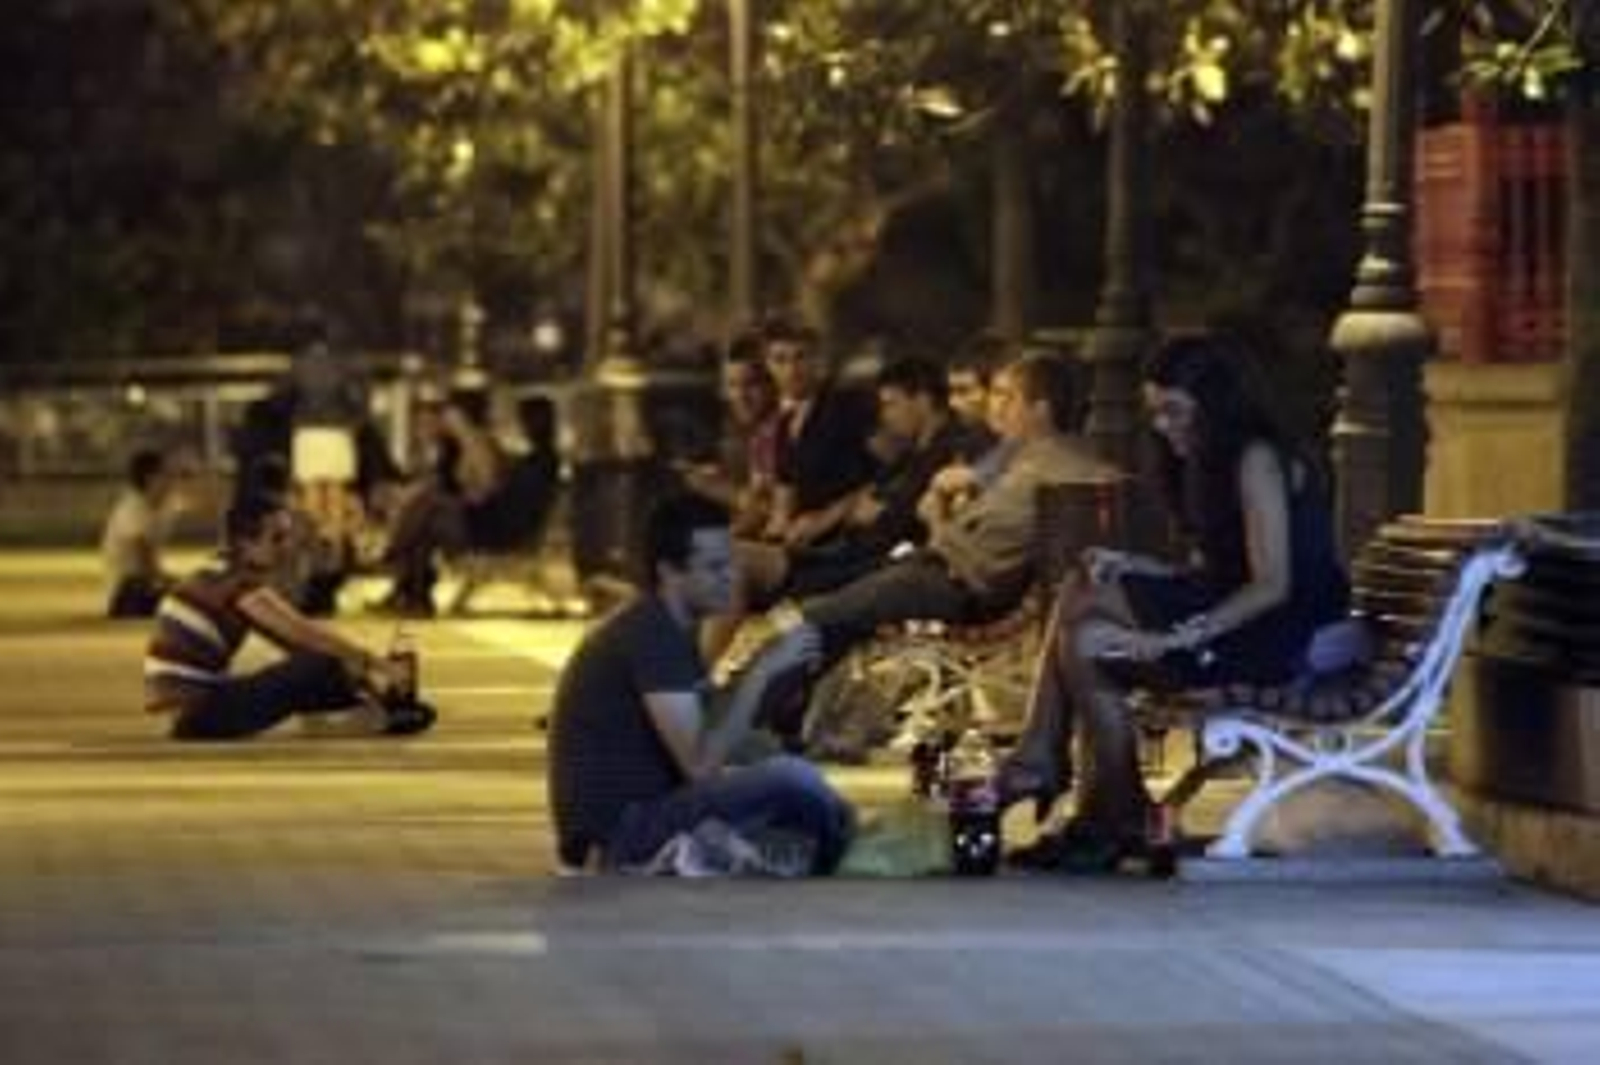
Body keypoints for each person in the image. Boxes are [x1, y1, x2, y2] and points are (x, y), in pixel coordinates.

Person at [999, 335, 1350, 870]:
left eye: (1175, 411)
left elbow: (1273, 584)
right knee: (1085, 592)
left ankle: (1085, 793)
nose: (1163, 425)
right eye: (1156, 412)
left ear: (1217, 405)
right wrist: (1143, 568)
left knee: (1087, 634)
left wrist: (1172, 637)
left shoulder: (1256, 457)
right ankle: (1082, 789)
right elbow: (1221, 571)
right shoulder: (1209, 461)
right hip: (1237, 614)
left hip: (1279, 634)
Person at [740, 352, 1121, 735]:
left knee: (818, 619)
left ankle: (743, 719)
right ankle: (772, 719)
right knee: (828, 616)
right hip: (940, 575)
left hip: (953, 585)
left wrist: (938, 506)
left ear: (1041, 409)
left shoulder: (1042, 470)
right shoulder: (1044, 462)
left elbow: (955, 543)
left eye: (1008, 397)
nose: (996, 406)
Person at [546, 492, 854, 875]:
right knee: (792, 778)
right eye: (714, 567)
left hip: (640, 818)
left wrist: (772, 675)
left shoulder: (670, 629)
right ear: (669, 573)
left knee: (781, 768)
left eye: (731, 563)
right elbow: (701, 764)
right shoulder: (651, 634)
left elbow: (716, 727)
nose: (731, 578)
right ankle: (843, 845)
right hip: (620, 835)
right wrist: (762, 672)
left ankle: (832, 839)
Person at [143, 494, 436, 741]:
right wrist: (376, 664)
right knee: (320, 661)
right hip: (194, 713)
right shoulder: (238, 585)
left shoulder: (216, 571)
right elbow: (304, 633)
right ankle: (381, 718)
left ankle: (381, 712)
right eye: (277, 538)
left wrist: (363, 679)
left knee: (320, 664)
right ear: (245, 543)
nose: (287, 547)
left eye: (288, 537)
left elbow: (294, 643)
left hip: (184, 711)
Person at [101, 448, 181, 618]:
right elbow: (145, 564)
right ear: (150, 478)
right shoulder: (133, 508)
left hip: (144, 586)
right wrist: (176, 585)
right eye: (166, 474)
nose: (172, 479)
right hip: (126, 594)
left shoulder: (162, 505)